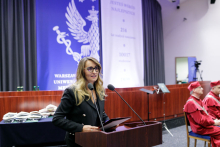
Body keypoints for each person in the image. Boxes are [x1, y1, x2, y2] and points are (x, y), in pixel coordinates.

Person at [52, 57, 109, 147]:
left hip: (97, 139)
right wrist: (81, 128)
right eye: (90, 69)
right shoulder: (72, 91)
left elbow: (101, 113)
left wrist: (109, 123)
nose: (94, 71)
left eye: (96, 68)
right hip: (78, 141)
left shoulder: (100, 90)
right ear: (82, 71)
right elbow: (57, 119)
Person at [184, 81, 220, 147]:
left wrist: (214, 120)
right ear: (194, 90)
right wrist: (213, 122)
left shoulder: (198, 100)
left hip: (205, 125)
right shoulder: (191, 103)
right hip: (200, 128)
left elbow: (206, 114)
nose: (202, 89)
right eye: (200, 87)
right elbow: (200, 120)